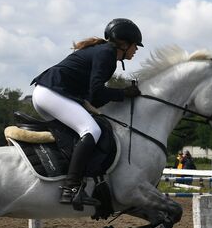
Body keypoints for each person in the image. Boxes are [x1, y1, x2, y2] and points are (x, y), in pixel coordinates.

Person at [30, 18, 143, 207]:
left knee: (80, 133)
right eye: (135, 46)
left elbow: (94, 98)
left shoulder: (102, 52)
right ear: (124, 44)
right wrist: (123, 93)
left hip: (48, 93)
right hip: (51, 93)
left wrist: (120, 94)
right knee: (91, 130)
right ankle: (71, 188)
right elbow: (97, 92)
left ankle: (68, 177)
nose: (136, 50)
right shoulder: (107, 53)